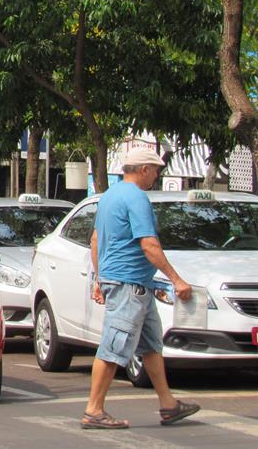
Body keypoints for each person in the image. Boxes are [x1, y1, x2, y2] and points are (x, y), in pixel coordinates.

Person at [82, 149, 200, 430]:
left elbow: (96, 239)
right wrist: (176, 279)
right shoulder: (136, 197)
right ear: (144, 169)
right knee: (114, 345)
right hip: (129, 284)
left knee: (151, 345)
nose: (156, 177)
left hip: (129, 282)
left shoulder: (110, 195)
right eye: (156, 171)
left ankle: (168, 404)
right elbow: (149, 244)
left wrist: (100, 278)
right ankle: (94, 410)